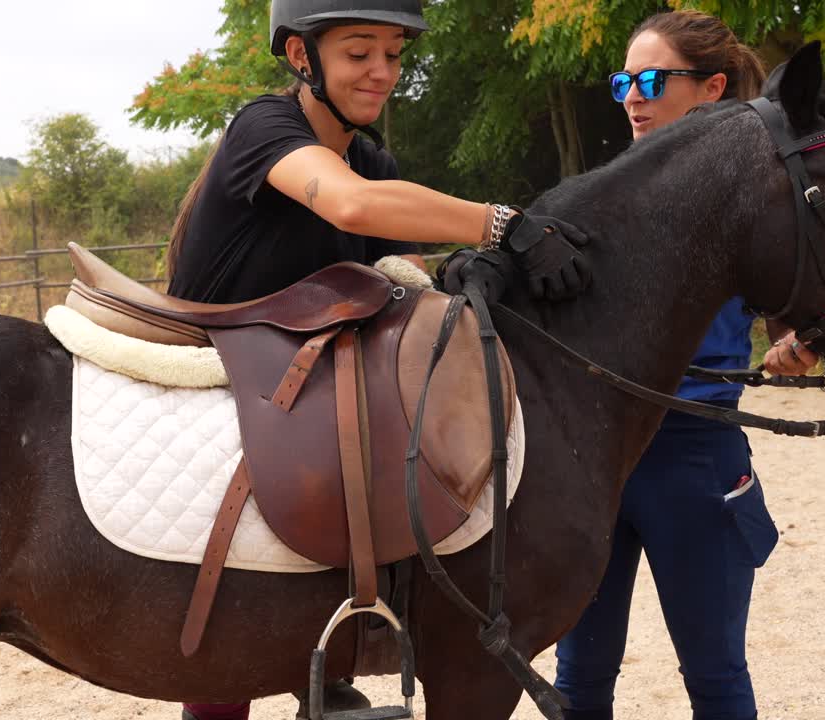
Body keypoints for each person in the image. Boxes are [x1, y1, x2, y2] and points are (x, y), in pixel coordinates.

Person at [170, 2, 592, 719]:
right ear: (304, 59)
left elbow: (385, 261)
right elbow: (354, 209)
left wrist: (468, 265)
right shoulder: (263, 128)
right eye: (359, 51)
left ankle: (356, 625)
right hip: (220, 357)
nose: (382, 71)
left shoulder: (372, 157)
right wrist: (503, 225)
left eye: (393, 54)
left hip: (305, 363)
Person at [552, 11, 817, 720]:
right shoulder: (593, 198)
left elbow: (797, 299)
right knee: (578, 678)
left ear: (711, 89)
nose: (632, 95)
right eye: (622, 81)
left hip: (697, 460)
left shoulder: (758, 200)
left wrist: (798, 344)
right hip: (593, 462)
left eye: (650, 79)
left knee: (715, 677)